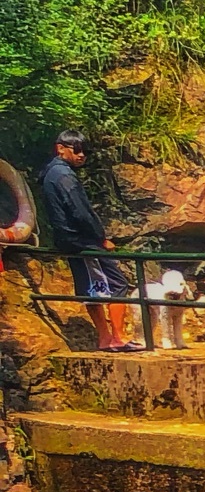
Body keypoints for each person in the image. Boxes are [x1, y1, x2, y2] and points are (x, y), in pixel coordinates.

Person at [36, 130, 138, 350]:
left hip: (69, 240)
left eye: (86, 151)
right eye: (78, 149)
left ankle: (105, 339)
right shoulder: (64, 176)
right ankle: (117, 338)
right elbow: (80, 212)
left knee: (92, 288)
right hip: (82, 241)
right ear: (60, 148)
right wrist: (100, 238)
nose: (83, 155)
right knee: (116, 284)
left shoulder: (51, 174)